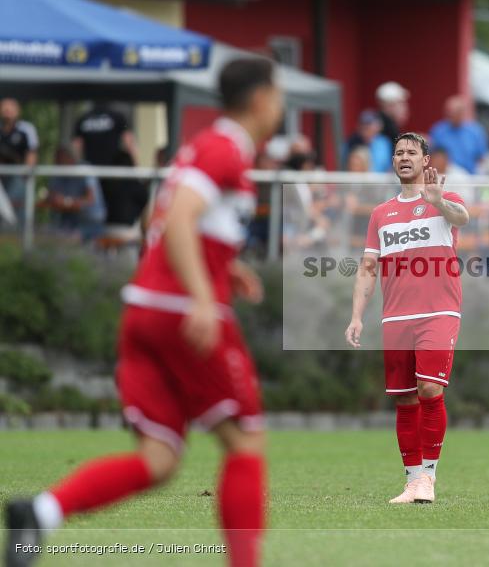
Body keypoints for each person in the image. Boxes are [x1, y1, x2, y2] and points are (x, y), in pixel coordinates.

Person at [4, 57, 284, 567]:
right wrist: (203, 295)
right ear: (262, 98)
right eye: (280, 95)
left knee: (159, 459)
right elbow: (178, 219)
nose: (281, 106)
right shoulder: (225, 148)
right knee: (245, 442)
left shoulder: (203, 147)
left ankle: (40, 512)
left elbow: (172, 221)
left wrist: (228, 265)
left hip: (144, 313)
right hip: (181, 312)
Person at [345, 132, 469, 505]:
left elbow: (462, 217)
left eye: (411, 152)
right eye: (398, 152)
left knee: (430, 389)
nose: (403, 157)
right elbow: (368, 268)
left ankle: (428, 477)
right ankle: (412, 481)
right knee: (404, 400)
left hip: (438, 311)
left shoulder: (444, 199)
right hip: (396, 317)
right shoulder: (381, 214)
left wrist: (438, 201)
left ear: (425, 161)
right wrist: (356, 316)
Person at [43, 145, 106, 242]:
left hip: (90, 221)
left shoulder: (84, 170)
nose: (58, 164)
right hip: (68, 220)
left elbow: (90, 200)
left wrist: (66, 202)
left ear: (70, 158)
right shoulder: (57, 172)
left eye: (61, 160)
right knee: (48, 236)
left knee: (68, 239)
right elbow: (51, 196)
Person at [0, 98, 39, 221]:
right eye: (4, 107)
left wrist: (25, 175)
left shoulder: (26, 129)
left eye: (10, 107)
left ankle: (18, 234)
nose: (7, 110)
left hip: (18, 176)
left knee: (16, 209)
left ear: (18, 111)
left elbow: (31, 153)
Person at [429, 96, 489, 175]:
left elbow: (482, 158)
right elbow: (432, 155)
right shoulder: (438, 131)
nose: (452, 114)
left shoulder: (475, 131)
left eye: (456, 112)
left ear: (463, 112)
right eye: (450, 112)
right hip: (446, 176)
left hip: (470, 177)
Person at [72, 102, 139, 168]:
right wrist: (135, 166)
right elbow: (128, 142)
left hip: (91, 169)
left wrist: (78, 167)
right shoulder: (117, 117)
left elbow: (77, 146)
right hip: (110, 169)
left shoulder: (83, 118)